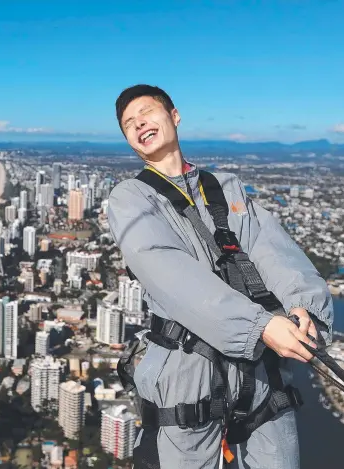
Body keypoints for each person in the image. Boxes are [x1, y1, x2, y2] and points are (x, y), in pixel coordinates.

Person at [107, 84, 334, 469]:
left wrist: (302, 306)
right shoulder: (131, 198)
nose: (139, 123)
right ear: (130, 140)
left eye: (146, 112)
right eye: (129, 123)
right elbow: (169, 274)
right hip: (187, 368)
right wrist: (259, 326)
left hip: (262, 370)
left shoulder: (226, 187)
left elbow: (273, 251)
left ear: (174, 115)